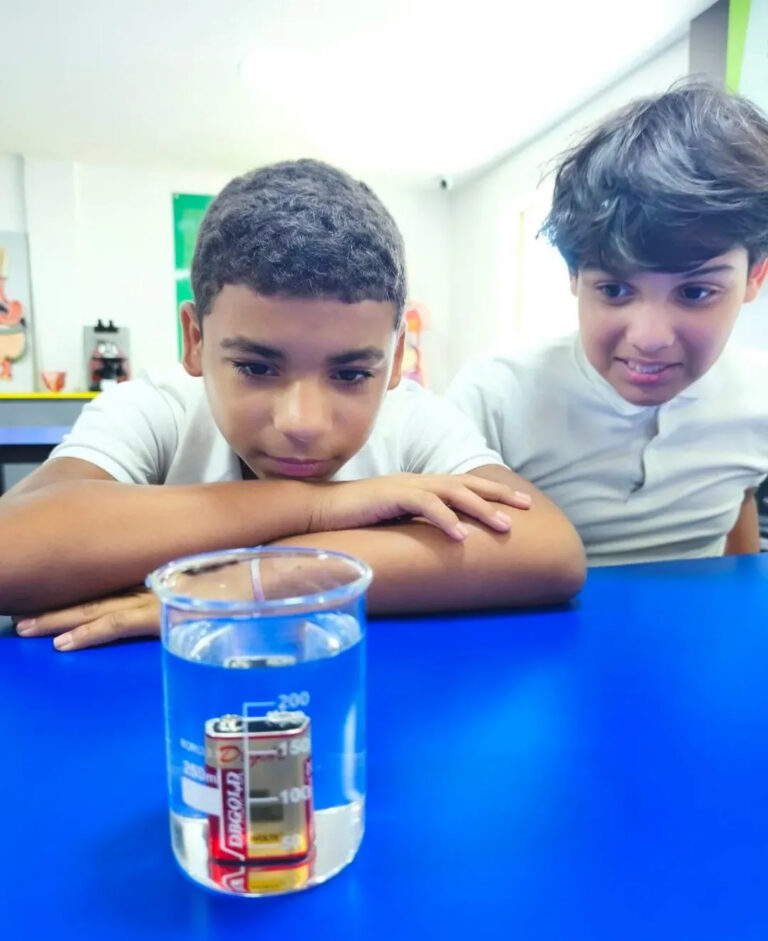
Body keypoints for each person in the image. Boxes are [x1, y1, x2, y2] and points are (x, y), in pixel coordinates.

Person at [0, 159, 585, 649]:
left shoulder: (412, 419)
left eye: (351, 373)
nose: (302, 423)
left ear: (396, 358)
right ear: (195, 339)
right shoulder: (157, 410)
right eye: (256, 368)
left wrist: (248, 582)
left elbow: (548, 549)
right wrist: (319, 506)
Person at [449, 81, 768, 566]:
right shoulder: (494, 397)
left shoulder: (759, 394)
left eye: (695, 292)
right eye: (615, 290)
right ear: (574, 276)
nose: (649, 339)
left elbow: (739, 506)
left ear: (754, 276)